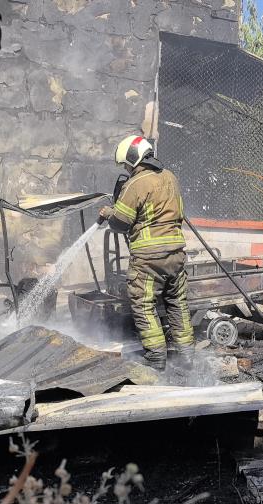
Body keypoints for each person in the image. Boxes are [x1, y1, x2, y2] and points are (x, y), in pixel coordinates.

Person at [99, 135, 194, 371]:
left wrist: (109, 213)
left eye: (126, 165)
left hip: (149, 258)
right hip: (176, 254)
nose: (126, 169)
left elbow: (121, 222)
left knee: (143, 305)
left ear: (133, 159)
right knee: (177, 303)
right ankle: (187, 357)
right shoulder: (171, 177)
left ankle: (155, 358)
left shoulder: (136, 184)